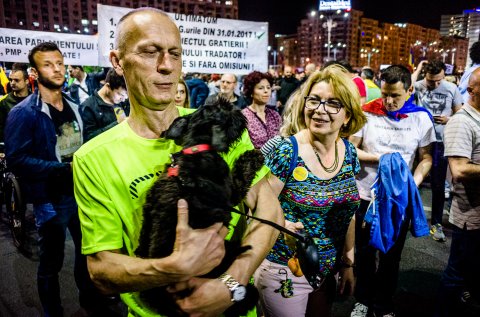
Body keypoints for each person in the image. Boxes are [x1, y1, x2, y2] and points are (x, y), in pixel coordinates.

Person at [72, 8, 283, 317]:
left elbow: (269, 209)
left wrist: (230, 283)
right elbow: (101, 269)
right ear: (117, 61)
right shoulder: (93, 158)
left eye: (175, 53)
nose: (166, 66)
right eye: (149, 52)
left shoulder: (218, 126)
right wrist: (172, 267)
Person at [4, 42, 113, 317]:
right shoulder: (24, 112)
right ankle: (54, 312)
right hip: (50, 199)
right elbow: (17, 158)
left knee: (87, 253)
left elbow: (84, 143)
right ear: (34, 71)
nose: (57, 69)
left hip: (80, 194)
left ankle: (89, 300)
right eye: (48, 65)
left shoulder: (74, 105)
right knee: (51, 263)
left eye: (60, 63)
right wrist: (61, 169)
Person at [254, 65, 367, 317]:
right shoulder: (286, 152)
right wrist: (281, 221)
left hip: (328, 270)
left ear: (347, 115)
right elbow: (256, 208)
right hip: (284, 269)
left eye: (333, 103)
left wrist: (349, 263)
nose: (320, 109)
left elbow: (349, 212)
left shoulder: (348, 152)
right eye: (314, 100)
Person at [349, 65, 436, 317]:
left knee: (391, 257)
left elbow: (426, 157)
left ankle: (384, 304)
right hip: (367, 196)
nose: (388, 101)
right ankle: (362, 299)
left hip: (399, 199)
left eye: (395, 95)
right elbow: (352, 149)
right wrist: (382, 159)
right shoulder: (367, 113)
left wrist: (413, 183)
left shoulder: (421, 117)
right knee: (365, 253)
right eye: (385, 94)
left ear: (409, 90)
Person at [435, 67, 480, 317]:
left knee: (472, 272)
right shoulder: (462, 121)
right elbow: (460, 169)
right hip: (469, 216)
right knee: (456, 274)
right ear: (471, 90)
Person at [413, 60, 463, 242]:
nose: (435, 84)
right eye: (431, 81)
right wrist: (417, 71)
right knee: (412, 181)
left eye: (439, 80)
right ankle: (409, 218)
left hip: (440, 142)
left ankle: (436, 224)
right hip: (417, 141)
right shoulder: (417, 86)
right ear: (424, 75)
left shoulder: (451, 88)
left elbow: (460, 112)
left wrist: (448, 119)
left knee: (438, 186)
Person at [81, 68, 129, 142]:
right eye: (120, 95)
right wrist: (117, 124)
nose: (123, 99)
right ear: (108, 86)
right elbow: (89, 138)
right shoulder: (88, 107)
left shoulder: (123, 102)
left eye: (126, 96)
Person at [241, 71, 282, 149]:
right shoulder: (243, 116)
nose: (266, 91)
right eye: (261, 88)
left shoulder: (275, 115)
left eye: (268, 87)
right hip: (254, 160)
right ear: (251, 92)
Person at [0, 63, 30, 142]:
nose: (12, 83)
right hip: (12, 149)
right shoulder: (4, 103)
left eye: (16, 80)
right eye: (11, 80)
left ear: (26, 81)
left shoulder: (36, 101)